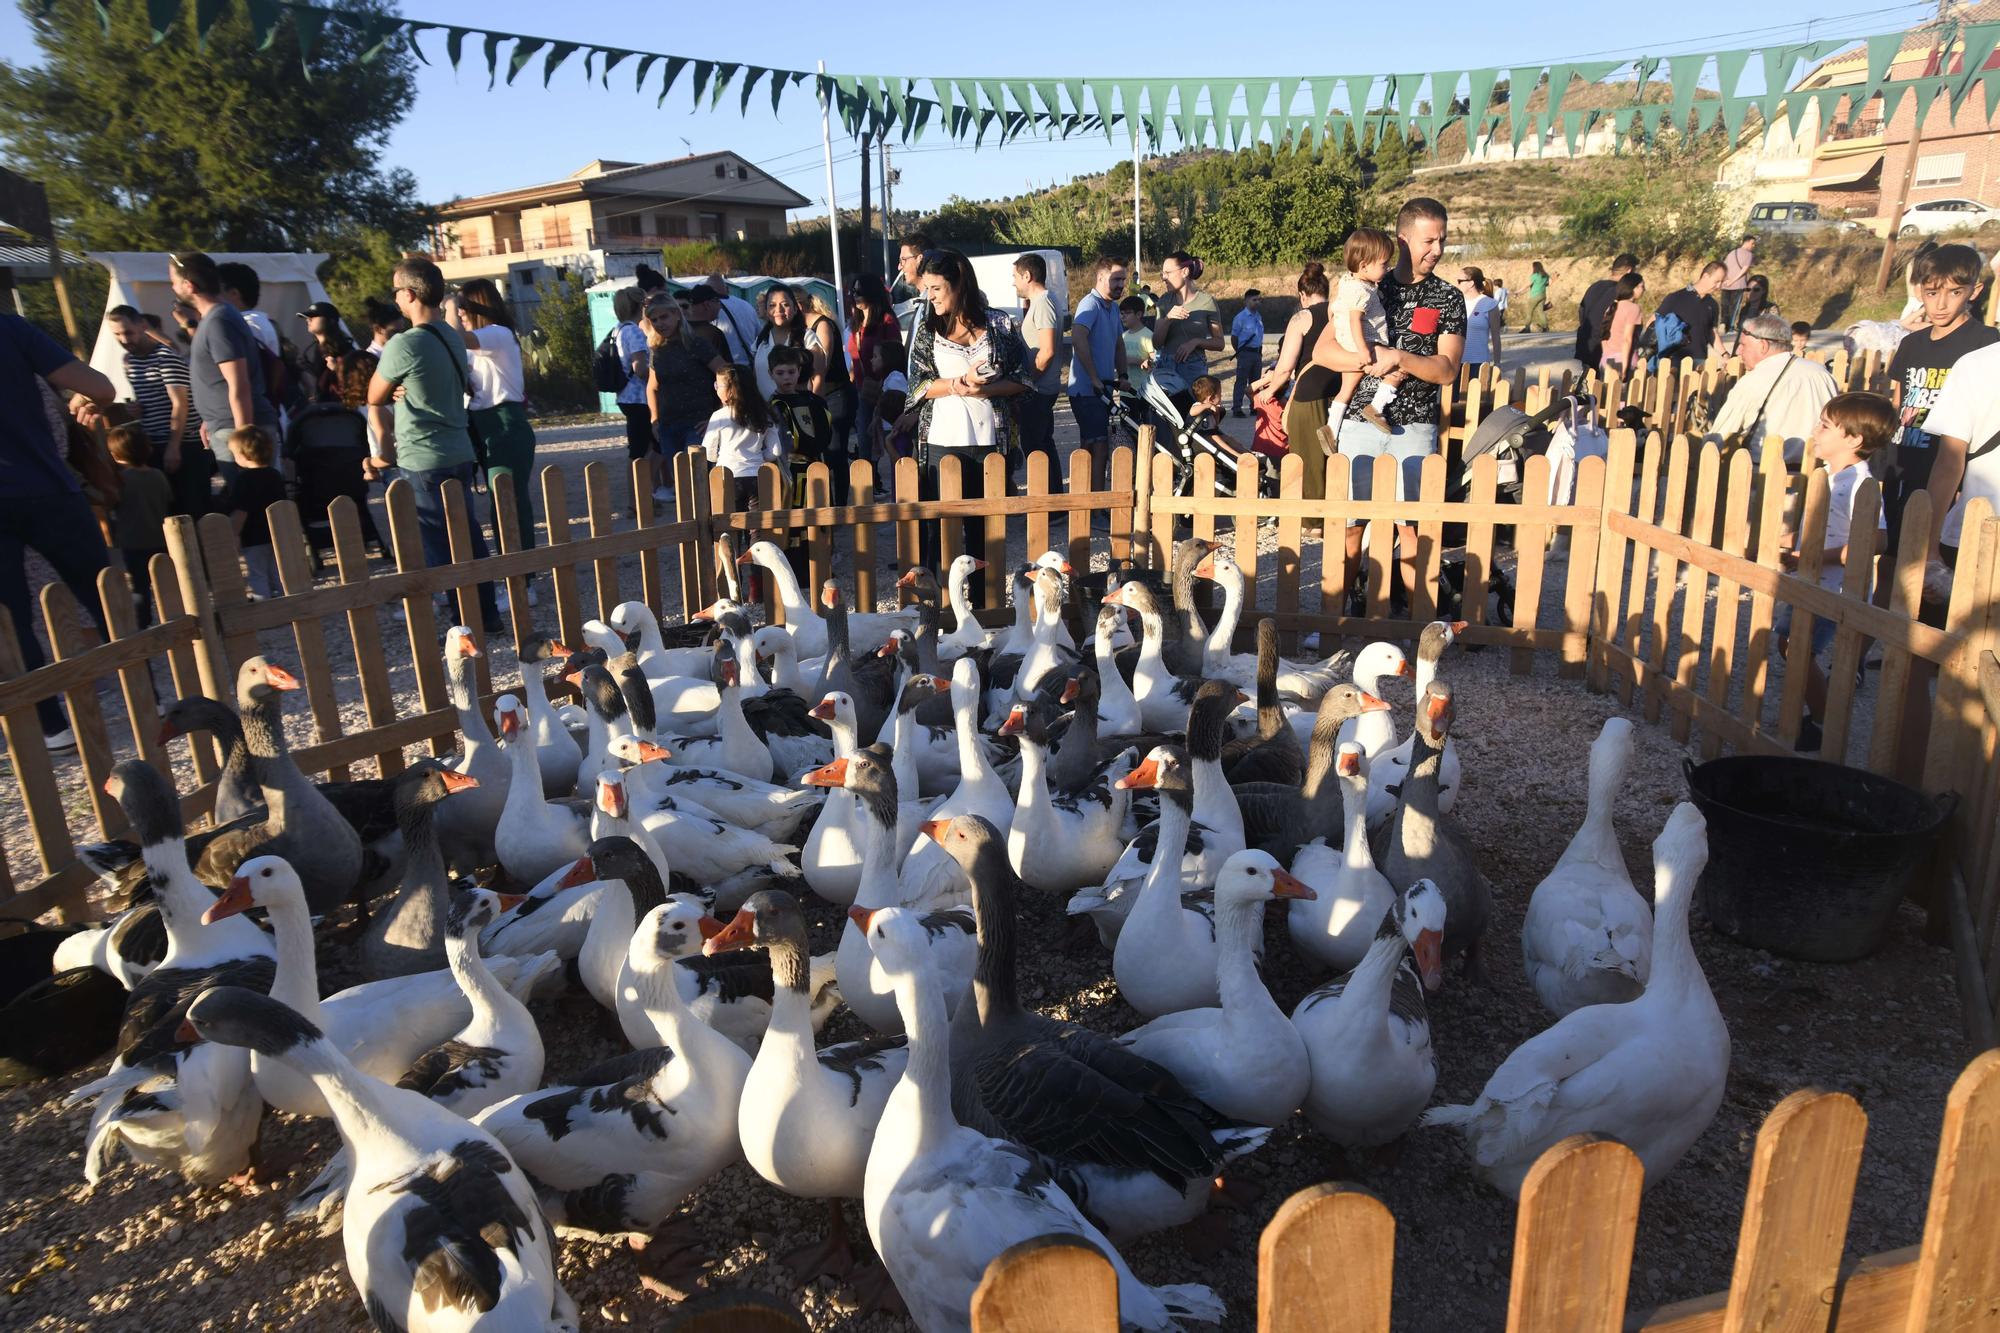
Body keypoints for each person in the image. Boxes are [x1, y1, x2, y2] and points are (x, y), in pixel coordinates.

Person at [1313, 197, 1467, 600]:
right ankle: (1332, 617)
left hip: (1414, 424)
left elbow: (1447, 370)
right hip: (1360, 426)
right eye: (1429, 240)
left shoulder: (1447, 298)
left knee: (1410, 525)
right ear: (1402, 239)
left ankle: (1418, 625)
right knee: (1350, 524)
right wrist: (1366, 360)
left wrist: (1399, 357)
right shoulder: (1364, 285)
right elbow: (1321, 353)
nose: (1437, 250)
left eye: (1442, 241)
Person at [364, 256, 502, 633]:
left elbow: (374, 393)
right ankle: (487, 613)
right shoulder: (451, 338)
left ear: (408, 295)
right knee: (469, 536)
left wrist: (395, 391)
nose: (394, 299)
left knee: (439, 544)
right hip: (459, 448)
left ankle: (463, 622)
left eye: (396, 292)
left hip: (422, 454)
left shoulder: (403, 344)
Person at [16, 317, 117, 749]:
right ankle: (136, 686)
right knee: (95, 591)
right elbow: (100, 390)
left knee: (18, 612)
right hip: (45, 488)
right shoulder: (15, 338)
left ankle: (50, 719)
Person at [1775, 393, 1894, 752]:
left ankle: (1826, 721)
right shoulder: (1829, 477)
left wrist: (1813, 556)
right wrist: (1789, 542)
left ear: (1854, 439)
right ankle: (1814, 714)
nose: (1815, 431)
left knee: (1797, 647)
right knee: (1790, 645)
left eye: (1825, 426)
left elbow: (1877, 540)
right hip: (1816, 581)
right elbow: (1826, 527)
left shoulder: (1859, 484)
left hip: (1836, 587)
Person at [908, 248, 1029, 593]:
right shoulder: (927, 328)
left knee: (985, 532)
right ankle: (938, 609)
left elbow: (1024, 380)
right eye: (926, 288)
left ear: (959, 284)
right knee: (940, 532)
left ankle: (985, 607)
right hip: (941, 442)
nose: (928, 296)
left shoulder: (999, 323)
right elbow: (916, 388)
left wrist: (986, 391)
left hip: (990, 441)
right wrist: (958, 385)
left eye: (935, 288)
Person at [1881, 244, 1998, 563]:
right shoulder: (1911, 343)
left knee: (1935, 566)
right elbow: (1899, 401)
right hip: (1904, 462)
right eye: (1932, 293)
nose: (1941, 304)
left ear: (1974, 291)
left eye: (1954, 292)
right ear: (1920, 291)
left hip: (1950, 472)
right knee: (1893, 556)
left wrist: (1962, 484)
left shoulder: (1985, 344)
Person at [170, 250, 278, 482]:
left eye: (174, 283)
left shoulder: (219, 320)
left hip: (237, 429)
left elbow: (238, 383)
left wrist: (244, 438)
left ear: (189, 285)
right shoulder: (215, 318)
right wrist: (210, 420)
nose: (173, 289)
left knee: (254, 505)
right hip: (226, 425)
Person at [451, 277, 539, 561]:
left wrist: (449, 305)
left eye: (464, 305)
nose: (460, 312)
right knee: (498, 503)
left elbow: (452, 336)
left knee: (508, 503)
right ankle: (512, 571)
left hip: (505, 423)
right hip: (483, 424)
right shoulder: (479, 345)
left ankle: (521, 577)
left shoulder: (498, 334)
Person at [109, 304, 208, 516]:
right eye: (117, 334)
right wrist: (135, 408)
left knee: (191, 509)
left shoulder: (165, 357)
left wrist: (174, 446)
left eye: (129, 332)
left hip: (183, 442)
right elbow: (147, 399)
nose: (125, 340)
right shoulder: (130, 361)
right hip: (153, 441)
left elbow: (180, 403)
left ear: (141, 327)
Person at [1706, 313, 1839, 466]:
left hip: (1762, 475)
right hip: (1819, 472)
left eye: (1743, 345)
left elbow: (1719, 437)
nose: (1738, 352)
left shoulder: (1753, 381)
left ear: (1763, 346)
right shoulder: (1821, 373)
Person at [1253, 261, 1334, 507]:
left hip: (1310, 395)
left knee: (1307, 458)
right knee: (1337, 457)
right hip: (1341, 392)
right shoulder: (1339, 313)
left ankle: (1312, 516)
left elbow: (1285, 367)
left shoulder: (1301, 318)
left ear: (1302, 294)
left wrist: (1269, 390)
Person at [1326, 227, 1402, 435]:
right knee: (1397, 372)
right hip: (1364, 343)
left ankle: (1331, 429)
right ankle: (1376, 408)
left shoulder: (1348, 282)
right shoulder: (1363, 292)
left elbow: (1333, 309)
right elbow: (1355, 320)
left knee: (1346, 389)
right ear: (1364, 265)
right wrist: (1363, 350)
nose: (1387, 268)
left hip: (1348, 342)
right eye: (1384, 264)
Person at [645, 293, 730, 476]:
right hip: (668, 425)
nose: (660, 323)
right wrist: (654, 421)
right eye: (654, 320)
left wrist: (718, 416)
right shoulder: (657, 351)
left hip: (698, 423)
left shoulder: (696, 343)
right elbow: (652, 386)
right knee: (680, 483)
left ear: (676, 314)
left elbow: (727, 375)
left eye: (664, 317)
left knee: (697, 481)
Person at [1067, 255, 1130, 488]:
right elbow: (1078, 338)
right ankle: (1094, 504)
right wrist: (1094, 378)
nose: (1121, 285)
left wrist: (1123, 375)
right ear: (1101, 277)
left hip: (1101, 389)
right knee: (1097, 445)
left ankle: (1090, 500)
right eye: (1116, 279)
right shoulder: (1089, 304)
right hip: (1086, 391)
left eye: (1123, 280)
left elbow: (1119, 344)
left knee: (1095, 444)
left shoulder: (1112, 308)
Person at [105, 423, 173, 625]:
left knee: (139, 585)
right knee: (164, 581)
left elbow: (112, 503)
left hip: (132, 541)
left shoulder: (121, 480)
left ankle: (143, 622)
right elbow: (168, 499)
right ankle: (171, 615)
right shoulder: (158, 475)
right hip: (160, 538)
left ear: (116, 454)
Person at [1152, 251, 1225, 420]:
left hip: (1194, 368)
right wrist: (1168, 319)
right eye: (1162, 273)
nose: (1163, 277)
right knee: (1166, 419)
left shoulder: (1207, 302)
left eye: (1167, 273)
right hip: (1166, 366)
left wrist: (1196, 342)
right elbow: (1156, 343)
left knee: (1193, 420)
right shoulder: (1163, 302)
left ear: (1184, 272)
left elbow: (1219, 343)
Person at [704, 363, 786, 509]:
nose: (716, 389)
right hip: (757, 475)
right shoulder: (764, 413)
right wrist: (759, 457)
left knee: (731, 523)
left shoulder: (719, 416)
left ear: (731, 389)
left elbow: (708, 452)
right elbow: (776, 451)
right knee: (756, 524)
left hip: (728, 475)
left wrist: (722, 457)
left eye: (718, 386)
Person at [1012, 252, 1064, 473]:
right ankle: (1054, 505)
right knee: (1043, 445)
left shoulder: (1043, 303)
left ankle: (1047, 505)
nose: (1012, 281)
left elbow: (1047, 351)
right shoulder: (1043, 301)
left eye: (1015, 276)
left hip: (1039, 389)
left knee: (1036, 449)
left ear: (1027, 275)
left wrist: (1027, 382)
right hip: (1041, 388)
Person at [222, 424, 285, 599]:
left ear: (243, 455)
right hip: (276, 533)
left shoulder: (244, 480)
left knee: (257, 574)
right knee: (277, 572)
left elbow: (241, 511)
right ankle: (285, 605)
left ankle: (263, 607)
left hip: (253, 537)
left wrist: (234, 534)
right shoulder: (275, 475)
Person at [608, 287, 657, 494]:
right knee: (643, 450)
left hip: (625, 396)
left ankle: (637, 498)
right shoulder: (634, 331)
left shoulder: (618, 329)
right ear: (640, 306)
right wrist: (655, 380)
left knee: (638, 448)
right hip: (638, 397)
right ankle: (640, 498)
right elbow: (639, 367)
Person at [1650, 261, 1727, 369]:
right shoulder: (1676, 298)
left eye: (1722, 282)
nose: (1719, 286)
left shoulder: (1713, 304)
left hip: (1700, 360)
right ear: (1705, 276)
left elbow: (1711, 332)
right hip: (1673, 360)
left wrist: (1724, 354)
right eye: (1717, 281)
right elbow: (1653, 322)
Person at [1577, 253, 1639, 369]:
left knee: (1588, 382)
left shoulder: (1595, 286)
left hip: (1586, 343)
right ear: (1629, 271)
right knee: (1609, 385)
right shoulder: (1622, 292)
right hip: (1606, 349)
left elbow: (1581, 312)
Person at [704, 271, 761, 368]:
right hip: (751, 367)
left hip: (727, 370)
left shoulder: (712, 309)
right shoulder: (746, 305)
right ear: (727, 289)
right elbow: (759, 336)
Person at [1598, 273, 1647, 374]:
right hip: (1623, 360)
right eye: (1642, 286)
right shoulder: (1633, 308)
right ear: (1633, 288)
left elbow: (1604, 334)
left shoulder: (1611, 307)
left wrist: (1606, 354)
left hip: (1606, 359)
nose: (1644, 289)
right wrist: (1625, 368)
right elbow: (1627, 339)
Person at [1228, 289, 1265, 418]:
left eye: (1258, 300)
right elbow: (1234, 337)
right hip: (1245, 352)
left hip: (1257, 353)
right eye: (1254, 300)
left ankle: (1254, 406)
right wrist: (1239, 352)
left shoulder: (1258, 316)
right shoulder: (1240, 318)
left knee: (1255, 382)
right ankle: (1237, 408)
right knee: (1241, 381)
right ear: (1246, 301)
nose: (1257, 302)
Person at [1457, 267, 1501, 372]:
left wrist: (1497, 364)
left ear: (1471, 283)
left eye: (1460, 281)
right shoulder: (1456, 302)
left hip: (1479, 364)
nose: (1457, 285)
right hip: (1456, 363)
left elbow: (1496, 337)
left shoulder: (1490, 304)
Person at [681, 285, 736, 365]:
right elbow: (726, 371)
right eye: (717, 301)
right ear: (707, 304)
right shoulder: (714, 334)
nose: (720, 306)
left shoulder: (678, 330)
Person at [1119, 295, 1156, 402]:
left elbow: (1155, 362)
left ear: (1139, 314)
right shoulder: (1122, 336)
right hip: (1125, 391)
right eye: (1122, 313)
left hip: (1144, 392)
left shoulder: (1148, 336)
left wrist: (1140, 361)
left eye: (1128, 313)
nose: (1123, 317)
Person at [1719, 234, 1758, 332]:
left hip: (1726, 283)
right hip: (1738, 284)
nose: (1753, 246)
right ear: (1747, 242)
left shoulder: (1732, 252)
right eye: (1753, 243)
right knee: (1734, 306)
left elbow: (1724, 267)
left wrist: (1726, 279)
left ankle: (1723, 323)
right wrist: (1733, 280)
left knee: (1725, 305)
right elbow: (1744, 270)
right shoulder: (1749, 255)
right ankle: (1730, 326)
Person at [891, 233, 931, 305]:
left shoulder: (934, 303)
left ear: (920, 259)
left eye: (903, 260)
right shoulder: (922, 303)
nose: (899, 267)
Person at [1520, 260, 1550, 332]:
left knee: (1529, 312)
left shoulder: (1535, 275)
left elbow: (1528, 285)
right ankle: (1545, 327)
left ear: (1535, 267)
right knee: (1540, 311)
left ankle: (1527, 328)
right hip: (1543, 295)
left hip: (1534, 295)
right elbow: (1547, 284)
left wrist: (1519, 291)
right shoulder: (1546, 275)